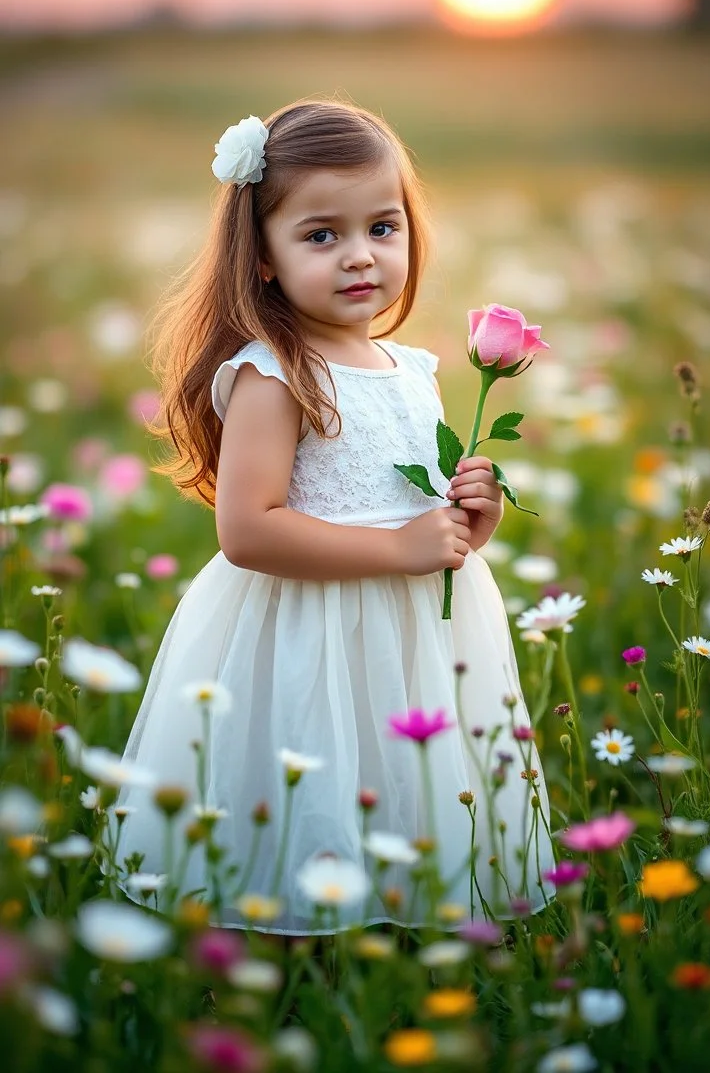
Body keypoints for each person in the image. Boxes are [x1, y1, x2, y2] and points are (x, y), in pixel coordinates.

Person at [108, 97, 555, 934]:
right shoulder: (275, 374)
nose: (360, 256)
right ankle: (297, 949)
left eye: (382, 228)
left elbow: (416, 515)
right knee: (313, 769)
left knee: (400, 773)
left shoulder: (411, 366)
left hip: (413, 629)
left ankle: (400, 924)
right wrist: (399, 547)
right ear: (265, 256)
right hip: (305, 627)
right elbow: (246, 531)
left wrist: (466, 522)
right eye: (322, 235)